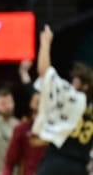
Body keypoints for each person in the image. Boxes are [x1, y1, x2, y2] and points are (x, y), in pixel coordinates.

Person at [33, 25, 93, 175]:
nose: (72, 83)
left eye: (76, 80)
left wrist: (45, 43)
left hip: (56, 162)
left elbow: (44, 71)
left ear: (84, 86)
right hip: (80, 168)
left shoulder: (72, 96)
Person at [2, 60, 48, 175]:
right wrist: (23, 72)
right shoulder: (22, 129)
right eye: (36, 98)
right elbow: (9, 163)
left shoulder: (57, 127)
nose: (39, 100)